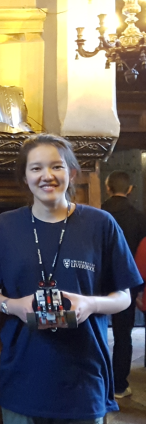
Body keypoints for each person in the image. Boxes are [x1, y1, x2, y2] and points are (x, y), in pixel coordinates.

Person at [0, 134, 143, 424]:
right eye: (36, 168)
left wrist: (90, 305)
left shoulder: (101, 224)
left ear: (72, 172)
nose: (47, 176)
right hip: (22, 377)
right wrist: (13, 306)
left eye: (56, 166)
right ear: (25, 176)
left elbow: (124, 296)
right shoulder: (2, 227)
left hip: (82, 379)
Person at [101, 170, 146, 399]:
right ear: (129, 189)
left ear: (108, 188)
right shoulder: (140, 218)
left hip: (98, 282)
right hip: (128, 282)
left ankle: (98, 384)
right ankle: (119, 385)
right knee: (123, 335)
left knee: (96, 332)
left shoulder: (97, 214)